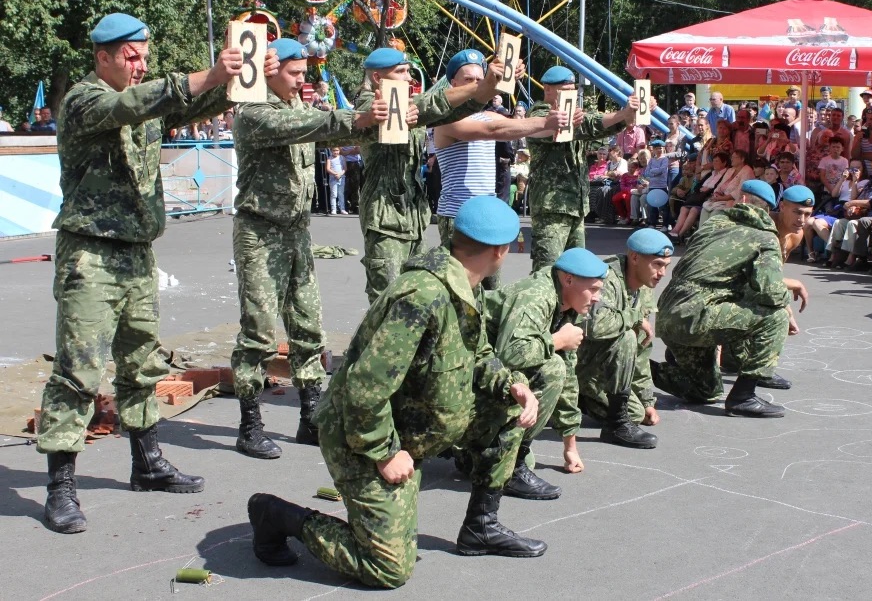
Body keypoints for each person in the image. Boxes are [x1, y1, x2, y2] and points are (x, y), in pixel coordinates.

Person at [38, 12, 279, 534]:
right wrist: (209, 75)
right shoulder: (84, 99)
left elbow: (193, 101)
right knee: (78, 370)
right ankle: (60, 486)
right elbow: (133, 104)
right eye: (130, 54)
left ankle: (146, 463)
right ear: (101, 56)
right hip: (91, 255)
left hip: (137, 254)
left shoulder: (146, 97)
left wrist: (241, 75)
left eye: (144, 54)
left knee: (141, 361)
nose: (140, 63)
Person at [247, 196, 541, 586]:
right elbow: (363, 390)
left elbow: (479, 352)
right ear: (502, 251)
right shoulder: (423, 295)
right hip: (361, 435)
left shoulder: (466, 286)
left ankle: (480, 527)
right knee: (387, 569)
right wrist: (384, 452)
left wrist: (512, 383)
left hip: (416, 428)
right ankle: (278, 516)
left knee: (508, 410)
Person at [230, 38, 397, 460]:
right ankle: (250, 424)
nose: (303, 80)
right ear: (270, 70)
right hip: (260, 232)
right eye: (295, 72)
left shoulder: (295, 109)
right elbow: (309, 127)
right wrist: (357, 116)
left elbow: (320, 131)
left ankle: (310, 417)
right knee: (260, 331)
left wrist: (369, 121)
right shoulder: (253, 112)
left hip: (297, 230)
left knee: (308, 326)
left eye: (305, 73)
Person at [355, 47, 505, 303]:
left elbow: (448, 110)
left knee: (413, 295)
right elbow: (430, 104)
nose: (408, 78)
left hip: (412, 218)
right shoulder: (371, 104)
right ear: (378, 78)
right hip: (386, 218)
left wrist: (489, 87)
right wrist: (481, 86)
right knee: (387, 298)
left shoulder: (408, 105)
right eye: (401, 72)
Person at [653, 180, 805, 416]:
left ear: (742, 200)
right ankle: (744, 396)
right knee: (774, 317)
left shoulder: (714, 223)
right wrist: (786, 307)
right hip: (697, 317)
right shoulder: (764, 238)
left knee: (706, 391)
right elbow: (770, 291)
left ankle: (640, 367)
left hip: (668, 314)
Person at [468, 247, 606, 485]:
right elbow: (510, 353)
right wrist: (559, 340)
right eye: (593, 289)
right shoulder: (537, 295)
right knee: (551, 366)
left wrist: (570, 444)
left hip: (491, 374)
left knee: (557, 367)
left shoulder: (569, 304)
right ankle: (506, 466)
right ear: (569, 279)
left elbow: (568, 376)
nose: (597, 298)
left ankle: (489, 454)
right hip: (470, 373)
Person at [430, 50, 566, 253]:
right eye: (468, 79)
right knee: (461, 282)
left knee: (490, 284)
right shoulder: (445, 119)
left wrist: (564, 120)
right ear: (454, 84)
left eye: (479, 79)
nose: (475, 84)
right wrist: (546, 121)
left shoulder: (487, 115)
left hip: (487, 212)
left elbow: (526, 130)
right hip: (457, 215)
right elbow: (492, 131)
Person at [525, 66, 643, 271]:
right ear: (548, 89)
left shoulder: (571, 115)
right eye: (565, 89)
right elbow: (588, 125)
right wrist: (622, 114)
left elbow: (594, 126)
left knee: (575, 271)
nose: (571, 94)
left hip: (575, 205)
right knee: (547, 271)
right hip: (552, 207)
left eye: (573, 89)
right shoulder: (541, 114)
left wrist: (628, 115)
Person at [576, 229, 672, 446]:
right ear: (635, 257)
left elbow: (641, 349)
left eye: (666, 266)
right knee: (626, 335)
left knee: (638, 413)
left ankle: (580, 399)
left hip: (601, 363)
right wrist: (635, 316)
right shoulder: (606, 277)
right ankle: (615, 424)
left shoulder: (643, 286)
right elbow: (595, 326)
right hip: (578, 360)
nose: (662, 273)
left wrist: (647, 400)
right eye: (657, 264)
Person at [326, 146, 347, 215]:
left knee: (341, 194)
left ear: (339, 151)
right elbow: (328, 169)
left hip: (341, 177)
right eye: (334, 150)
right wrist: (335, 174)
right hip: (333, 178)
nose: (336, 152)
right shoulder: (329, 159)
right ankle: (333, 209)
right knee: (334, 194)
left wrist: (340, 174)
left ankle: (342, 208)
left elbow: (345, 168)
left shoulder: (342, 158)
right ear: (331, 151)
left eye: (337, 150)